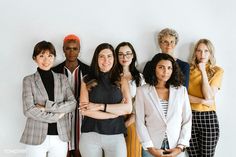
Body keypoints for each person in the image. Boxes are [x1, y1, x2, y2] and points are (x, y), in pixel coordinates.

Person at [20, 41, 77, 157]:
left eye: (50, 56)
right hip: (35, 135)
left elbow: (72, 104)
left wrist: (47, 107)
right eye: (41, 56)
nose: (46, 60)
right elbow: (29, 110)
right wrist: (56, 117)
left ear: (54, 57)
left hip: (60, 136)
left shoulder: (62, 79)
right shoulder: (28, 80)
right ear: (35, 58)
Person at [78, 43, 132, 157]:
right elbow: (85, 110)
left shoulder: (121, 80)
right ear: (96, 59)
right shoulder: (86, 80)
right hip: (90, 134)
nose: (105, 60)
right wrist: (113, 114)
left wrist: (99, 106)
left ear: (114, 58)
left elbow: (128, 108)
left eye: (109, 56)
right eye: (101, 56)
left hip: (116, 134)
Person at [136, 53, 192, 157]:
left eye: (169, 68)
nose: (166, 71)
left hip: (175, 147)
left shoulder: (181, 90)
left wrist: (180, 147)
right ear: (154, 68)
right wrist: (151, 149)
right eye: (161, 67)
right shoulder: (142, 91)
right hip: (152, 147)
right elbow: (140, 122)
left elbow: (187, 120)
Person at [52, 34, 89, 157]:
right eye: (68, 48)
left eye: (75, 48)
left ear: (79, 50)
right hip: (62, 123)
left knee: (81, 153)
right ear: (63, 49)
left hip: (83, 122)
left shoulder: (89, 71)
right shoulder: (55, 71)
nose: (71, 52)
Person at [187, 39, 224, 157]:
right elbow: (182, 97)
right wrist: (202, 101)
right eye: (199, 51)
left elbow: (209, 95)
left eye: (206, 51)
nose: (202, 54)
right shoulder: (188, 70)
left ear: (210, 53)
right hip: (190, 117)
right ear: (195, 53)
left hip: (208, 118)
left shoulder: (217, 71)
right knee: (193, 155)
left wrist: (203, 70)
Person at [115, 42, 145, 157]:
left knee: (132, 153)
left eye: (128, 54)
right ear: (116, 57)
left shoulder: (140, 78)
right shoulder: (111, 76)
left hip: (133, 120)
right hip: (113, 119)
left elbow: (142, 104)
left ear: (133, 56)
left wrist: (128, 121)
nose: (124, 57)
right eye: (121, 54)